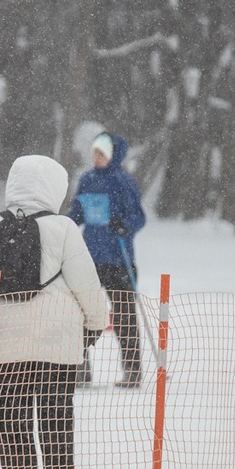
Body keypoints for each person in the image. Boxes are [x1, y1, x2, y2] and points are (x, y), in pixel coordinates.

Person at [0, 154, 110, 469]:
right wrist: (94, 323)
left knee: (10, 412)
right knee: (55, 411)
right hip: (59, 341)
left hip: (7, 341)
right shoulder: (64, 229)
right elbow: (86, 284)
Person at [67, 130, 148, 387]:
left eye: (101, 153)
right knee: (79, 312)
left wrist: (123, 225)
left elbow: (139, 216)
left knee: (124, 315)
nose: (97, 158)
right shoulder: (87, 179)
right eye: (94, 153)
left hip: (118, 259)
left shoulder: (124, 181)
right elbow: (77, 213)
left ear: (113, 155)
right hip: (91, 259)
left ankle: (132, 370)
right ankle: (79, 369)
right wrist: (62, 226)